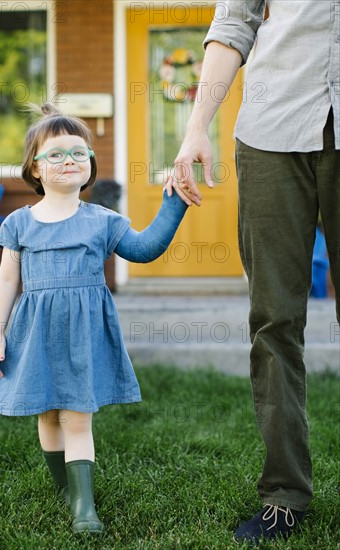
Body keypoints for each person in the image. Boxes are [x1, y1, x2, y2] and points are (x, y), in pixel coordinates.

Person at [167, 0, 340, 545]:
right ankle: (284, 494)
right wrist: (197, 128)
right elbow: (233, 23)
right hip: (273, 130)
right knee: (273, 321)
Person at [0, 103, 189, 535]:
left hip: (83, 333)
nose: (69, 161)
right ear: (35, 169)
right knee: (46, 414)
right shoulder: (20, 222)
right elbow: (7, 281)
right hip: (35, 332)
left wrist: (173, 204)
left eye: (78, 153)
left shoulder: (102, 220)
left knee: (77, 415)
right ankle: (65, 487)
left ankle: (85, 506)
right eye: (56, 154)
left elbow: (145, 247)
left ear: (91, 165)